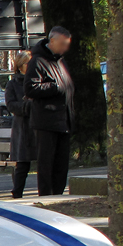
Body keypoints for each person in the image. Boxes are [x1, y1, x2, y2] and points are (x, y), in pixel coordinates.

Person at [24, 26, 75, 196]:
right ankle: (46, 196)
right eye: (62, 44)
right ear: (52, 41)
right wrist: (55, 87)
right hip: (46, 120)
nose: (65, 48)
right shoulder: (37, 61)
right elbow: (30, 89)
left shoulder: (61, 60)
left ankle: (58, 194)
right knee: (47, 163)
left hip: (63, 119)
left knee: (62, 162)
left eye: (67, 44)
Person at [4, 50, 35, 198]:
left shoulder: (36, 81)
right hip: (23, 127)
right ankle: (17, 192)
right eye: (28, 64)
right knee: (23, 163)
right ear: (20, 66)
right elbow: (11, 105)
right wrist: (26, 106)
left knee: (43, 161)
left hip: (37, 125)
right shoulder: (13, 84)